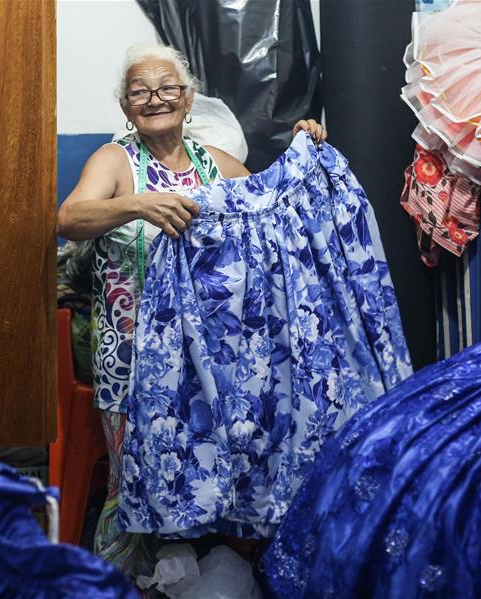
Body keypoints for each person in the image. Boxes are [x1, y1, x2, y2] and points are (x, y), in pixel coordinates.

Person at [56, 42, 326, 577]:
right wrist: (137, 205)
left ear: (187, 98)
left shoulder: (213, 164)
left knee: (217, 460)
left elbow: (272, 207)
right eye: (140, 92)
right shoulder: (116, 162)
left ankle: (197, 569)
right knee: (134, 474)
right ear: (126, 106)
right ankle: (120, 579)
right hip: (131, 354)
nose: (154, 99)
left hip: (205, 357)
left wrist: (305, 146)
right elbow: (69, 219)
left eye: (166, 88)